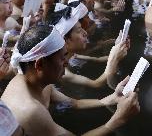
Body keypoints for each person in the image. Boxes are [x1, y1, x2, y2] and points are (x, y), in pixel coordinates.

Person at [1, 24, 139, 136]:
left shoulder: (39, 81)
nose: (66, 63)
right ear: (40, 64)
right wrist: (118, 119)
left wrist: (113, 98)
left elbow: (74, 103)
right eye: (62, 58)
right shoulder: (30, 110)